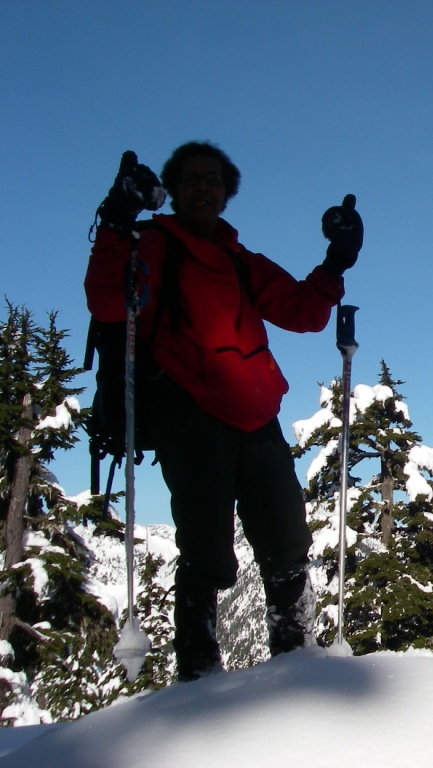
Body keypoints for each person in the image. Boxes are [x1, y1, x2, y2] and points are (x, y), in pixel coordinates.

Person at [84, 141, 363, 681]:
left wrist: (338, 258)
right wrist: (118, 219)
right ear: (175, 189)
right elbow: (107, 300)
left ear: (226, 191)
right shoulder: (153, 244)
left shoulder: (239, 259)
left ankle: (295, 659)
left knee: (285, 539)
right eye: (191, 179)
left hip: (255, 414)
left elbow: (302, 310)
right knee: (205, 547)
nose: (203, 187)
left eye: (212, 179)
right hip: (189, 412)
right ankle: (198, 674)